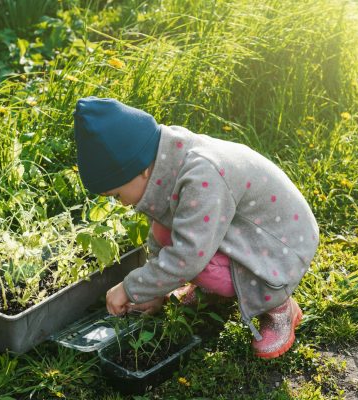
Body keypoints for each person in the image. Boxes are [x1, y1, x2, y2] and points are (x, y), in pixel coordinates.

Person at [73, 96, 319, 359]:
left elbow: (187, 257)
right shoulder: (166, 159)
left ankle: (278, 304)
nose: (119, 203)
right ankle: (213, 288)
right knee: (165, 233)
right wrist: (157, 290)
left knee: (196, 262)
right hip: (246, 231)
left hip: (280, 246)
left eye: (116, 194)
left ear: (141, 170)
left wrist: (131, 288)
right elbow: (164, 230)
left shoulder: (201, 175)